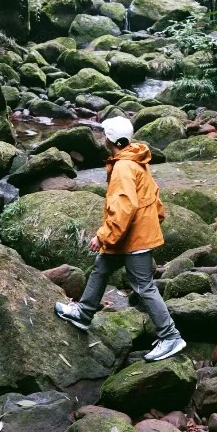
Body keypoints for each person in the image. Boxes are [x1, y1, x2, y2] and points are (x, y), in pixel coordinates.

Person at [54, 115, 186, 362]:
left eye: (104, 134)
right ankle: (83, 313)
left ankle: (170, 337)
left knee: (143, 287)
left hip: (134, 238)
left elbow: (124, 208)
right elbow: (154, 196)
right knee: (101, 269)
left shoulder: (124, 167)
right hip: (133, 234)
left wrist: (102, 235)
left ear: (110, 139)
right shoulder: (134, 159)